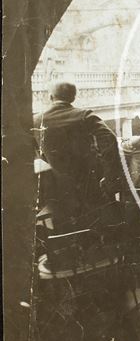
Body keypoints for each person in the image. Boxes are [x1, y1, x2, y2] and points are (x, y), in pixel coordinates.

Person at [33, 81, 121, 231]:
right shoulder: (85, 115)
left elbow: (34, 153)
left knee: (66, 230)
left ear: (50, 97)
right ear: (73, 98)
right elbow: (110, 140)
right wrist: (108, 172)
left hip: (57, 190)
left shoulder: (36, 120)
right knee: (95, 225)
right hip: (89, 184)